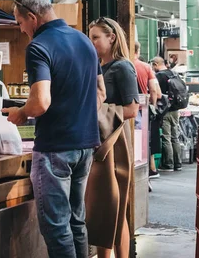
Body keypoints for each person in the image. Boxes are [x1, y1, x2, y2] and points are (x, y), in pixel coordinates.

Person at [2, 0, 102, 258]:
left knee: (57, 228)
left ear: (32, 17)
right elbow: (100, 93)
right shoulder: (84, 40)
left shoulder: (39, 46)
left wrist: (20, 113)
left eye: (20, 23)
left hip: (55, 148)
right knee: (76, 221)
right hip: (86, 146)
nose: (22, 30)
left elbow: (40, 103)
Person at [89, 17, 139, 258]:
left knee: (113, 208)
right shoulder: (99, 66)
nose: (92, 42)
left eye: (96, 37)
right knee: (109, 207)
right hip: (101, 140)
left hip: (115, 141)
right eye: (90, 37)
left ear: (112, 37)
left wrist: (97, 110)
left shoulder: (122, 67)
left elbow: (132, 109)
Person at [133, 42, 161, 179]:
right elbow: (154, 90)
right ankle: (142, 175)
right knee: (142, 143)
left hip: (125, 110)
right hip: (141, 110)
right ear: (138, 51)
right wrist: (153, 105)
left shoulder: (122, 64)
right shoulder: (146, 67)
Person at [151, 57, 183, 172]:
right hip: (176, 110)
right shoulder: (174, 74)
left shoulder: (159, 76)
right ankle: (178, 163)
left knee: (166, 137)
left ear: (155, 64)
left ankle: (168, 164)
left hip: (165, 110)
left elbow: (156, 93)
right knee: (175, 137)